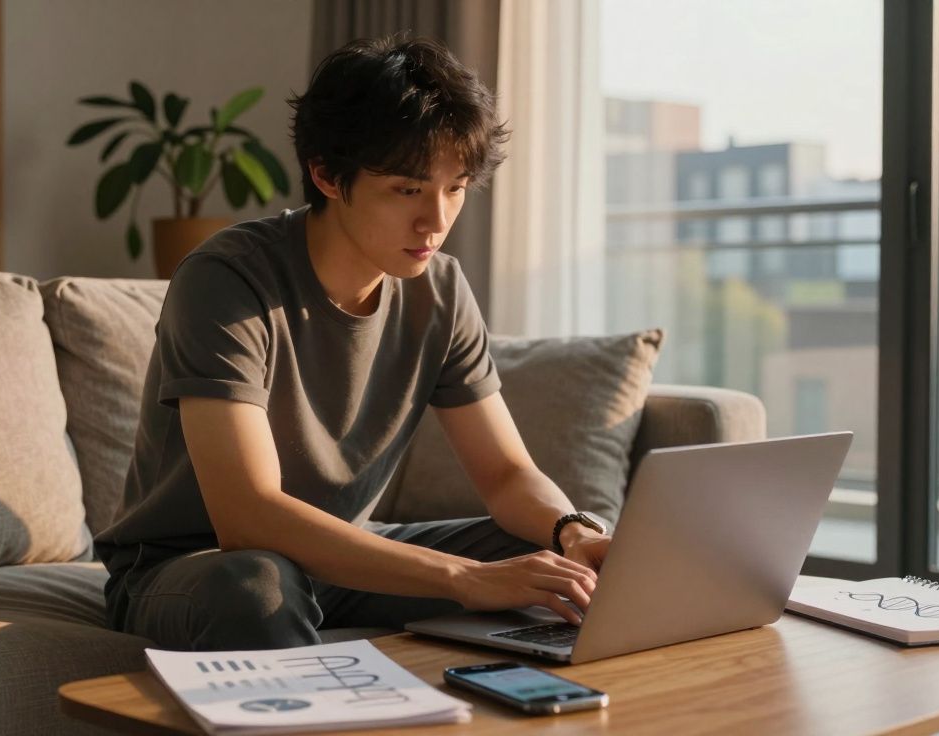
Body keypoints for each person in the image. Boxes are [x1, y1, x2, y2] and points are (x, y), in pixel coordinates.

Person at [94, 35, 612, 651]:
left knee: (559, 566)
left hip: (339, 555)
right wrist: (463, 578)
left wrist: (571, 532)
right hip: (198, 568)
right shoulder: (226, 279)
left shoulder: (439, 288)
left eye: (456, 187)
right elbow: (247, 515)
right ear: (327, 174)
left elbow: (505, 474)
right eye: (408, 189)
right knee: (257, 584)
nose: (437, 220)